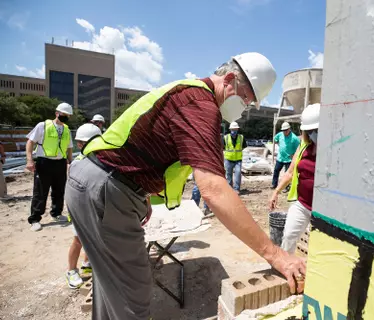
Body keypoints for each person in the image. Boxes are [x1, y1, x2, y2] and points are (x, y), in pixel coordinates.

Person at [65, 52, 306, 319]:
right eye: (247, 98)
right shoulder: (200, 104)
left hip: (95, 180)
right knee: (132, 298)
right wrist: (275, 255)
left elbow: (138, 146)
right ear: (229, 80)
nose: (246, 106)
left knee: (111, 287)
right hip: (107, 188)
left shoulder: (187, 93)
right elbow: (214, 190)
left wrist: (141, 192)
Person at [269, 103, 320, 253]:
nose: (313, 134)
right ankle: (286, 266)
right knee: (289, 236)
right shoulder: (304, 146)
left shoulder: (334, 149)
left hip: (322, 210)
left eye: (317, 130)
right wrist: (276, 192)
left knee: (317, 248)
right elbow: (290, 172)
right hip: (302, 203)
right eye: (310, 131)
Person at [25, 103, 74, 232]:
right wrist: (29, 160)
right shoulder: (43, 126)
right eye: (64, 115)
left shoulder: (67, 130)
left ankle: (56, 214)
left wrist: (70, 162)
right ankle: (35, 219)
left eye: (68, 116)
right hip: (44, 162)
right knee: (40, 192)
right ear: (57, 113)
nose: (66, 117)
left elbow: (69, 147)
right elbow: (30, 142)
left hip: (60, 163)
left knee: (59, 190)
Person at [65, 123, 102, 289]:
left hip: (95, 205)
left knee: (94, 237)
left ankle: (87, 263)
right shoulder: (77, 163)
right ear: (80, 144)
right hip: (80, 208)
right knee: (78, 240)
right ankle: (71, 270)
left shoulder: (101, 159)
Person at [271, 121, 300, 190]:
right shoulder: (280, 134)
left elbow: (299, 147)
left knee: (287, 174)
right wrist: (279, 144)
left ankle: (286, 187)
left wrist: (294, 155)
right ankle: (274, 184)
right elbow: (275, 139)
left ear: (289, 129)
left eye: (286, 130)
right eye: (283, 130)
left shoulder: (294, 138)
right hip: (280, 158)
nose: (284, 132)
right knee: (276, 171)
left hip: (289, 159)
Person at [223, 121, 246, 193]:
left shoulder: (241, 137)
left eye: (235, 129)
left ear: (237, 130)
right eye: (233, 129)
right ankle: (229, 189)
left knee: (238, 174)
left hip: (238, 160)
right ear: (230, 130)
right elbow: (223, 147)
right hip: (228, 159)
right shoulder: (226, 138)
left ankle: (236, 189)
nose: (234, 131)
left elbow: (243, 146)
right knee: (228, 175)